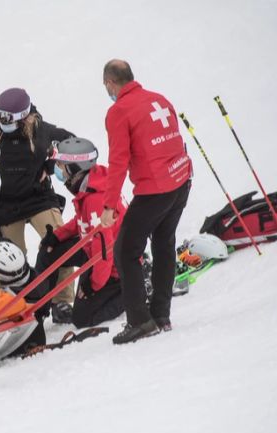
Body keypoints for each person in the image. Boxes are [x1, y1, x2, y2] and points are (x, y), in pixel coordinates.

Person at [100, 59, 192, 343]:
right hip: (181, 179)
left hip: (156, 189)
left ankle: (140, 321)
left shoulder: (119, 111)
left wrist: (109, 205)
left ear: (110, 83)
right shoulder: (159, 99)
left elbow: (118, 161)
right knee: (164, 243)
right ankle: (161, 315)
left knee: (126, 250)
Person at [0, 88, 77, 323]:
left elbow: (73, 144)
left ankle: (62, 301)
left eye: (6, 119)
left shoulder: (43, 132)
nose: (0, 124)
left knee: (59, 241)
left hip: (38, 198)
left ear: (23, 116)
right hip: (5, 205)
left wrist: (50, 164)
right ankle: (12, 304)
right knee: (9, 258)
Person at [36, 137, 126, 329]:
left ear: (74, 167)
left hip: (114, 265)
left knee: (82, 318)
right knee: (49, 252)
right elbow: (82, 222)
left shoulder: (95, 199)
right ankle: (39, 308)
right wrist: (57, 236)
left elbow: (105, 252)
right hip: (92, 249)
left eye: (61, 165)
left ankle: (133, 291)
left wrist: (93, 285)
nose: (58, 170)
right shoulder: (89, 185)